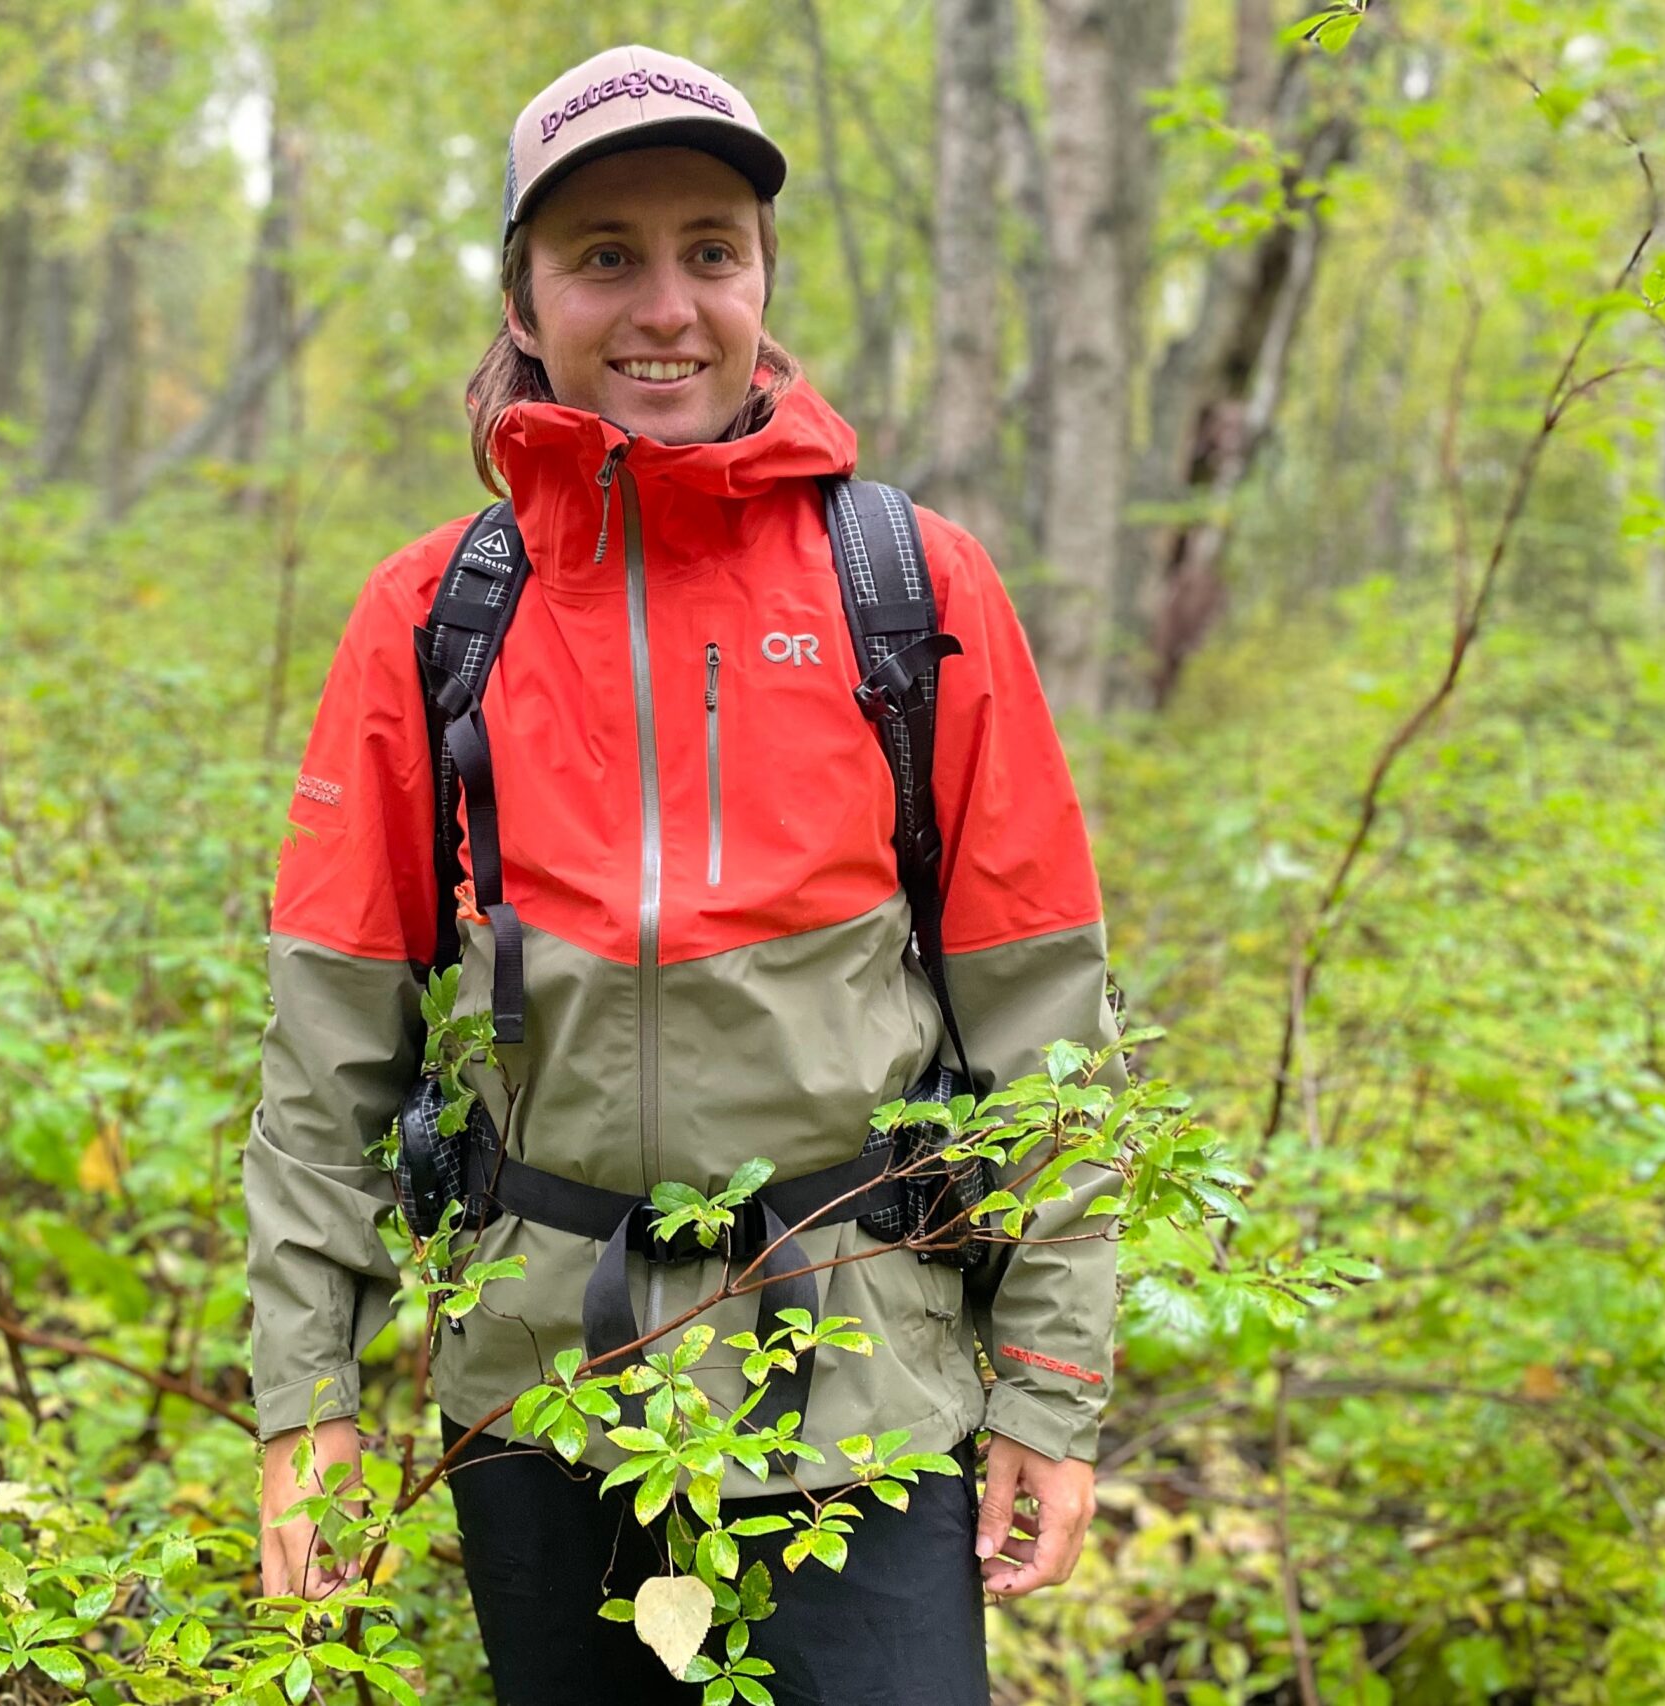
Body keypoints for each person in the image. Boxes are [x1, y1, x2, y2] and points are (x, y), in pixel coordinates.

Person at [244, 44, 1128, 1705]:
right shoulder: (433, 617)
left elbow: (1046, 1030)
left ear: (763, 276)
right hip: (537, 1393)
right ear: (524, 293)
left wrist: (1050, 1380)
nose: (666, 305)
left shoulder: (911, 587)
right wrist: (310, 1401)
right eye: (605, 255)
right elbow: (324, 1060)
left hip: (863, 1379)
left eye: (710, 249)